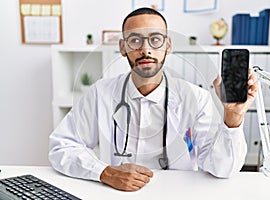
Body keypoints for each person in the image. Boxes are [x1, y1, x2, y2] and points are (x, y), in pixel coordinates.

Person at [49, 7, 258, 192]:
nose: (145, 49)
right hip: (117, 194)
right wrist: (105, 172)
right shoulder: (101, 93)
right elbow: (61, 147)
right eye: (135, 40)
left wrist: (233, 116)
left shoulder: (196, 98)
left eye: (155, 40)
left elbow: (222, 168)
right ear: (123, 48)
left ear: (168, 45)